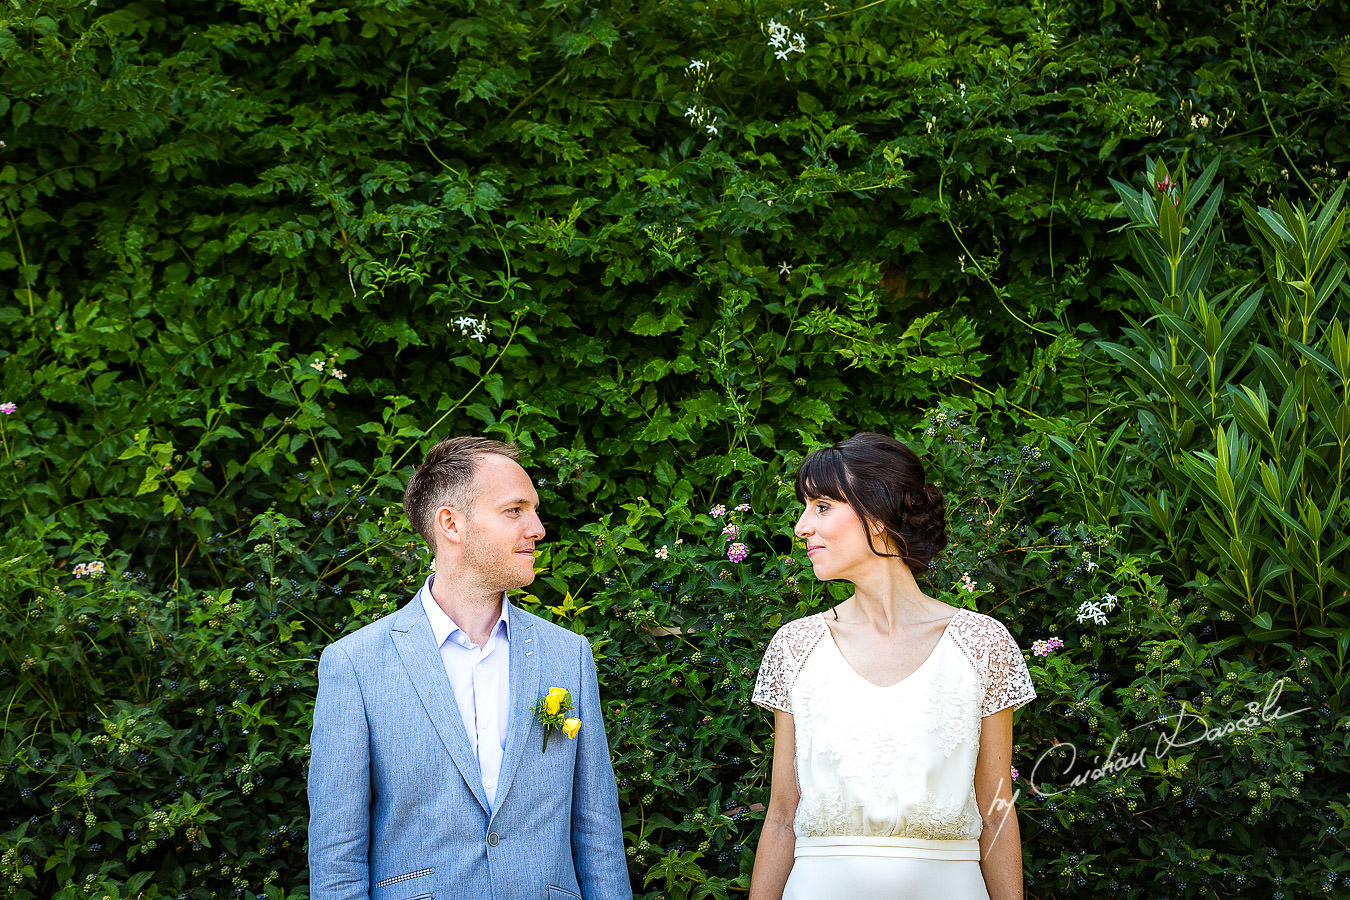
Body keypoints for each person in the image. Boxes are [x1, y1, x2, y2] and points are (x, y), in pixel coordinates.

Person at [308, 436, 632, 900]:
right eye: (515, 510)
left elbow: (598, 832)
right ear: (451, 523)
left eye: (534, 510)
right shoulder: (356, 666)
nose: (538, 528)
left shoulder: (569, 655)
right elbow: (338, 855)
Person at [748, 432, 1036, 900]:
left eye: (821, 506)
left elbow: (996, 811)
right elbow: (782, 814)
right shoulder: (795, 647)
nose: (801, 526)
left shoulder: (982, 644)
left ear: (878, 517)